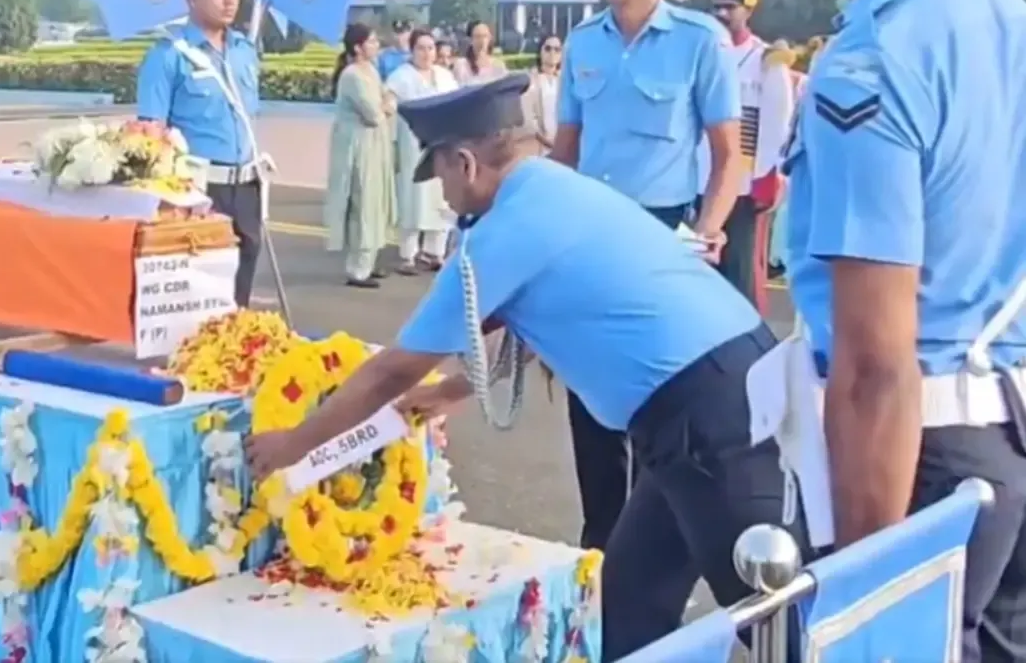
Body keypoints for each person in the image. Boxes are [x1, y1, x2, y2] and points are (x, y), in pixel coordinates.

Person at [245, 74, 798, 661]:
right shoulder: (553, 188)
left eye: (440, 181)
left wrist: (295, 443)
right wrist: (454, 390)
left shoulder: (505, 233)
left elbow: (392, 371)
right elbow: (559, 319)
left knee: (773, 614)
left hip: (711, 418)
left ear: (465, 163)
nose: (444, 199)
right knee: (629, 605)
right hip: (703, 402)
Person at [779, 0, 1026, 662]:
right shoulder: (1013, 30)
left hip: (920, 464)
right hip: (1011, 441)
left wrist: (867, 599)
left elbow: (878, 366)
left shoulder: (873, 59)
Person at [549, 0, 744, 552]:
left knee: (661, 413)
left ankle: (652, 556)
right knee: (592, 412)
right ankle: (598, 554)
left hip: (665, 238)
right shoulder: (581, 45)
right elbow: (564, 154)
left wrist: (706, 230)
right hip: (589, 240)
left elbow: (728, 158)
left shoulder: (698, 43)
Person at [136, 0, 265, 306]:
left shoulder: (244, 50)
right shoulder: (167, 56)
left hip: (248, 188)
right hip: (199, 191)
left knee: (239, 298)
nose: (229, 0)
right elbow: (151, 136)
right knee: (200, 297)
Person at [695, 0, 794, 311]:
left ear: (748, 8)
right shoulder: (704, 53)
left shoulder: (766, 59)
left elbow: (775, 126)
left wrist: (763, 176)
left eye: (730, 7)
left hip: (742, 184)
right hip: (699, 180)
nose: (721, 14)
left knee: (740, 277)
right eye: (716, 6)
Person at [323, 23, 396, 288]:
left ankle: (369, 261)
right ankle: (357, 269)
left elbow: (386, 100)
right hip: (358, 146)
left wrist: (385, 104)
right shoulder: (353, 75)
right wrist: (386, 105)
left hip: (373, 144)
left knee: (375, 202)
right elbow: (375, 114)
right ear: (358, 47)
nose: (376, 46)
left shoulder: (370, 71)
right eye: (372, 41)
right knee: (362, 203)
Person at [385, 29, 459, 275]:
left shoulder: (445, 76)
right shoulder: (401, 77)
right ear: (412, 50)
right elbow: (389, 102)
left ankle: (434, 251)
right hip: (413, 148)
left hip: (443, 146)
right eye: (421, 48)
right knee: (413, 198)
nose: (426, 53)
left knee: (442, 198)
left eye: (430, 48)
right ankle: (408, 254)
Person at [522, 32, 562, 151]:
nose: (552, 53)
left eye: (557, 49)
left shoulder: (565, 81)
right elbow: (529, 119)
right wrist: (546, 141)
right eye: (548, 48)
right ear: (540, 52)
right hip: (539, 146)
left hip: (563, 144)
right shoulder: (531, 80)